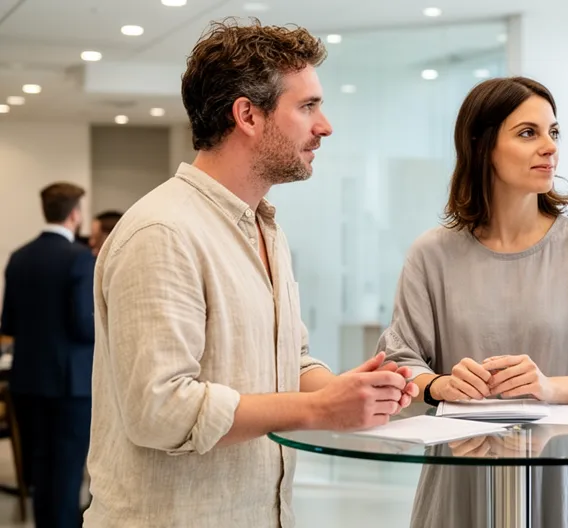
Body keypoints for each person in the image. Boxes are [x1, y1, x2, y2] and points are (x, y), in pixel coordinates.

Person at [84, 19, 416, 528]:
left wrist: (341, 390)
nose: (324, 125)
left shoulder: (265, 228)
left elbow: (290, 360)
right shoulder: (162, 232)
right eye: (307, 107)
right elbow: (161, 409)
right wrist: (321, 411)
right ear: (248, 116)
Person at [381, 76, 568, 528]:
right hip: (458, 479)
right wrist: (439, 385)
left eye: (553, 133)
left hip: (564, 477)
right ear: (482, 146)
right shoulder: (431, 254)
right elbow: (400, 363)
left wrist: (549, 387)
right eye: (528, 133)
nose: (549, 147)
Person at [1, 182, 94, 528]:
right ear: (74, 214)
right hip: (70, 384)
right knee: (67, 471)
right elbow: (83, 327)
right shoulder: (80, 259)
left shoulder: (19, 257)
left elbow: (7, 321)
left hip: (26, 380)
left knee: (39, 468)